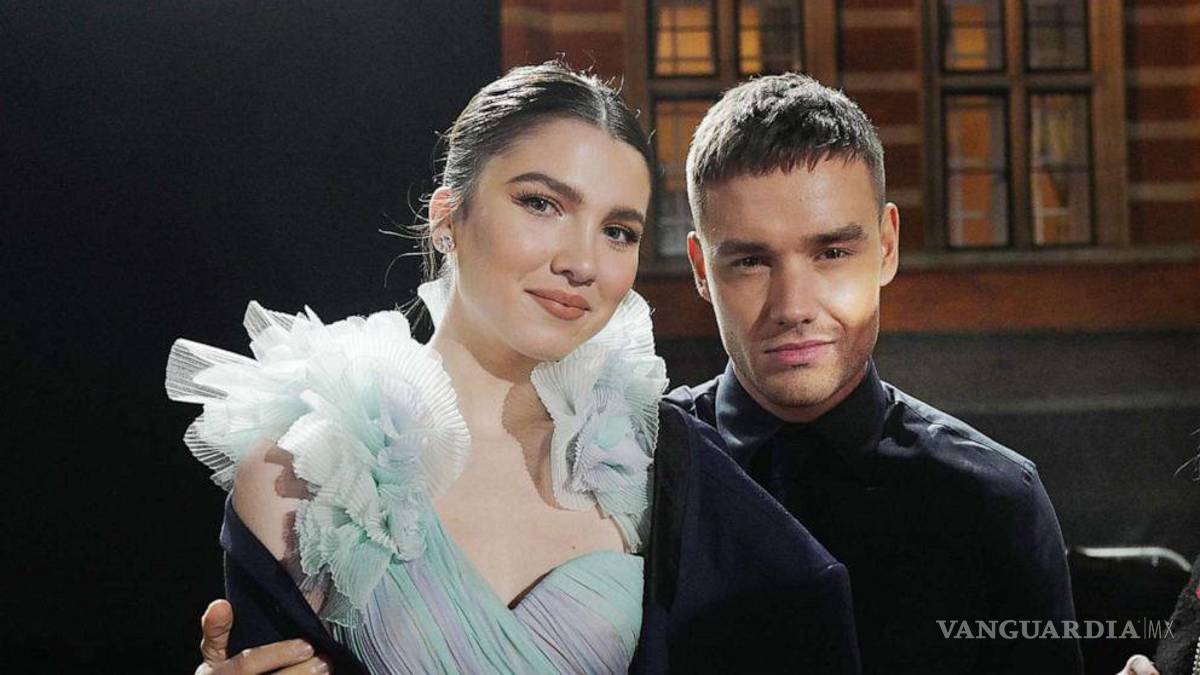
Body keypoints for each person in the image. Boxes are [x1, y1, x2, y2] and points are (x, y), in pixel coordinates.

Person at [172, 62, 860, 675]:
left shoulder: (653, 459)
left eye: (617, 231)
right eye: (541, 203)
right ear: (448, 216)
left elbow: (812, 618)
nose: (582, 262)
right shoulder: (303, 473)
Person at [662, 73, 1083, 673]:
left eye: (832, 253)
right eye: (751, 261)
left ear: (886, 247)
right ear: (703, 270)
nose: (793, 307)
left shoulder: (993, 501)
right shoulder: (638, 478)